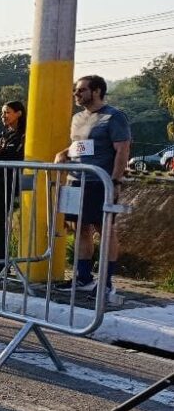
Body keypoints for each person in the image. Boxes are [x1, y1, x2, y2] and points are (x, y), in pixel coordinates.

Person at [54, 75, 131, 296]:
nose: (76, 94)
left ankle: (105, 282)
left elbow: (123, 150)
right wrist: (64, 153)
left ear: (96, 91)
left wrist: (115, 181)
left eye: (81, 91)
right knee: (80, 230)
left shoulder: (113, 116)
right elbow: (79, 146)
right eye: (75, 91)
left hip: (100, 181)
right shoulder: (78, 117)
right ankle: (82, 277)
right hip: (76, 180)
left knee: (104, 229)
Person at [0, 100, 25, 278]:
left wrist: (1, 152)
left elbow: (14, 156)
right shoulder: (3, 134)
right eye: (2, 113)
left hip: (11, 183)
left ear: (19, 113)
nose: (3, 116)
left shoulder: (23, 135)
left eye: (7, 112)